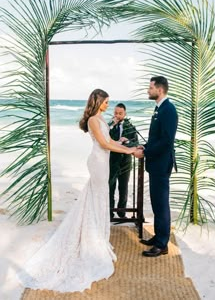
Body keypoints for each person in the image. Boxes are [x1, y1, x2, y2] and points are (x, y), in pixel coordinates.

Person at [17, 89, 136, 292]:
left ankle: (97, 237)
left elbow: (110, 142)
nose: (108, 105)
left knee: (98, 198)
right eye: (106, 102)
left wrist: (123, 143)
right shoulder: (92, 120)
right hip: (98, 163)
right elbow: (103, 143)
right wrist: (128, 150)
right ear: (98, 101)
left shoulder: (101, 119)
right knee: (97, 197)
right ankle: (93, 240)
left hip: (104, 162)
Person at [134, 76, 178, 257]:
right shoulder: (159, 108)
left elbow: (167, 141)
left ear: (159, 90)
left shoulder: (168, 110)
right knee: (156, 203)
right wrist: (145, 147)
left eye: (150, 87)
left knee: (161, 204)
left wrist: (146, 152)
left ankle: (162, 244)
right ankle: (158, 236)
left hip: (161, 164)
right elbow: (156, 138)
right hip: (156, 164)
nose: (148, 90)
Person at [109, 103, 138, 219]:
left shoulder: (130, 126)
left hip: (125, 162)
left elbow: (136, 143)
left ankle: (122, 213)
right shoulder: (110, 126)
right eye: (116, 113)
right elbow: (105, 139)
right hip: (112, 160)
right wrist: (112, 125)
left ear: (125, 114)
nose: (117, 115)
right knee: (110, 186)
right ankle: (109, 212)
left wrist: (127, 141)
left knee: (123, 187)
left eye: (120, 113)